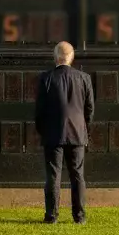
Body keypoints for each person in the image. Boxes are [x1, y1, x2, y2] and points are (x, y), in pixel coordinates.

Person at [34, 41, 95, 224]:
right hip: (77, 133)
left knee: (53, 175)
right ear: (71, 57)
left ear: (55, 56)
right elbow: (89, 109)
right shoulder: (84, 78)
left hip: (53, 134)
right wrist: (84, 128)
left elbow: (40, 110)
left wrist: (42, 130)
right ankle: (79, 216)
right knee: (77, 175)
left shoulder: (46, 78)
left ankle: (51, 216)